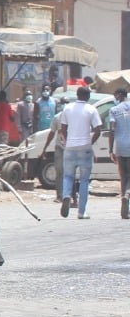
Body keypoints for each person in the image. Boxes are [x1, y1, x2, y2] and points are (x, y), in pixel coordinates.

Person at [50, 85, 103, 218]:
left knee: (68, 176)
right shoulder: (91, 109)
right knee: (84, 180)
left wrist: (68, 142)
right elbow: (98, 130)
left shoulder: (67, 108)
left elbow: (63, 129)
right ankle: (81, 212)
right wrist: (90, 143)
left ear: (77, 95)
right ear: (88, 96)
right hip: (84, 147)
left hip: (70, 148)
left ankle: (66, 195)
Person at [110, 87, 130, 219]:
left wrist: (110, 149)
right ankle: (127, 195)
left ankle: (123, 195)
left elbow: (112, 130)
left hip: (119, 147)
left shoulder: (114, 110)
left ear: (119, 95)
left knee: (123, 176)